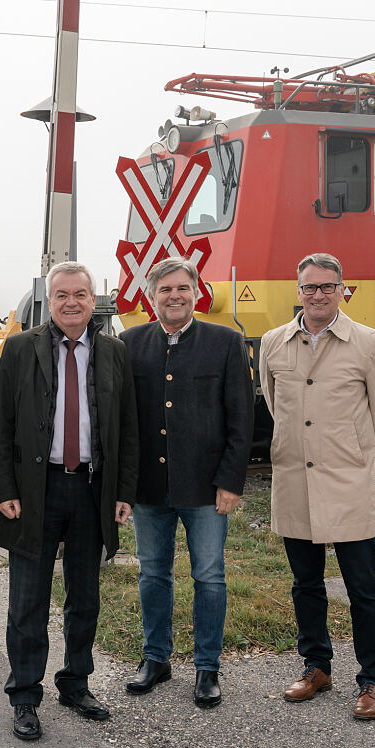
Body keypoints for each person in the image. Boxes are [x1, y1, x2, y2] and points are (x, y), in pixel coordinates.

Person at [0, 261, 138, 741]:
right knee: (27, 600)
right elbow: (1, 426)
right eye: (62, 295)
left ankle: (76, 683)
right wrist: (6, 490)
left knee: (85, 597)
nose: (71, 302)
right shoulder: (18, 348)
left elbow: (128, 431)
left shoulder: (114, 351)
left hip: (92, 490)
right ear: (48, 301)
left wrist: (123, 493)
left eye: (81, 294)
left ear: (93, 299)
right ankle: (25, 696)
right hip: (36, 491)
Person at [258, 252, 375, 721]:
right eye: (309, 287)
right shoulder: (275, 342)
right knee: (305, 583)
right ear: (297, 291)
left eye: (327, 287)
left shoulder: (368, 342)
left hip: (347, 480)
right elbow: (277, 406)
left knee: (363, 585)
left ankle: (374, 680)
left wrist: (353, 452)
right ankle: (317, 667)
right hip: (295, 479)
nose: (318, 295)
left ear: (343, 290)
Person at [119, 257, 253, 707]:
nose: (174, 296)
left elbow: (241, 418)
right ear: (151, 296)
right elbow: (121, 421)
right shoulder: (129, 343)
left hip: (206, 487)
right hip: (149, 488)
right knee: (153, 573)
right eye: (164, 290)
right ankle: (155, 659)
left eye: (182, 288)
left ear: (196, 293)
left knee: (209, 577)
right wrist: (124, 486)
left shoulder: (226, 343)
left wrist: (231, 481)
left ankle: (207, 667)